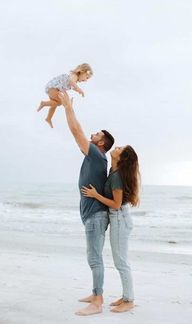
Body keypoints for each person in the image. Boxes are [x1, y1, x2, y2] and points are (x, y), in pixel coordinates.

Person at [58, 90, 114, 316]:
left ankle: (98, 301)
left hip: (95, 216)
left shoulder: (97, 155)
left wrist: (68, 108)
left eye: (97, 133)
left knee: (94, 258)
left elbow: (76, 131)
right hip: (93, 215)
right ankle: (95, 293)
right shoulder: (96, 156)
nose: (92, 133)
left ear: (101, 143)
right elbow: (78, 133)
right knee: (93, 257)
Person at [81, 144, 140, 313]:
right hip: (118, 219)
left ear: (122, 158)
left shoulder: (116, 177)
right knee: (120, 260)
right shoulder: (113, 173)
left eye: (120, 149)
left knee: (121, 262)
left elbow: (116, 204)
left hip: (120, 218)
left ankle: (129, 300)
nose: (116, 147)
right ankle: (126, 295)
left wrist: (95, 195)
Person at [37, 63, 93, 128]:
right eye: (87, 77)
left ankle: (48, 118)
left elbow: (72, 86)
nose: (86, 80)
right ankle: (43, 103)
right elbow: (71, 81)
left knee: (54, 104)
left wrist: (77, 90)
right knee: (59, 102)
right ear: (82, 71)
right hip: (53, 88)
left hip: (53, 88)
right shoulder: (74, 76)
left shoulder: (75, 79)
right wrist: (78, 89)